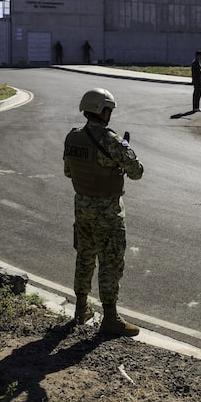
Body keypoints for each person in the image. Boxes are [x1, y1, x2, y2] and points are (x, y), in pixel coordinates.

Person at [63, 88, 144, 336]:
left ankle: (81, 309)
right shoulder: (111, 140)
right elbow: (137, 171)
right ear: (102, 111)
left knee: (85, 256)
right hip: (107, 211)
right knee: (110, 262)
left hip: (82, 208)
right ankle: (110, 318)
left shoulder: (73, 137)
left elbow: (69, 172)